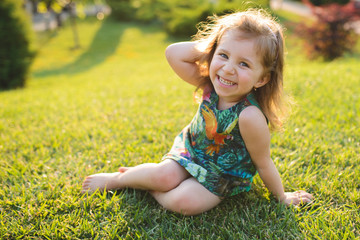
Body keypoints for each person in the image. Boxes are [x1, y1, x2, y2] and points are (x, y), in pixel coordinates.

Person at [82, 9, 313, 216]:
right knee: (164, 176)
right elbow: (173, 52)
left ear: (262, 79)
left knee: (185, 203)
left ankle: (149, 188)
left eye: (244, 64)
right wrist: (212, 48)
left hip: (221, 175)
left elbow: (263, 163)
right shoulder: (210, 86)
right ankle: (119, 179)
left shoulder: (249, 116)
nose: (228, 69)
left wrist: (282, 197)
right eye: (224, 55)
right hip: (191, 152)